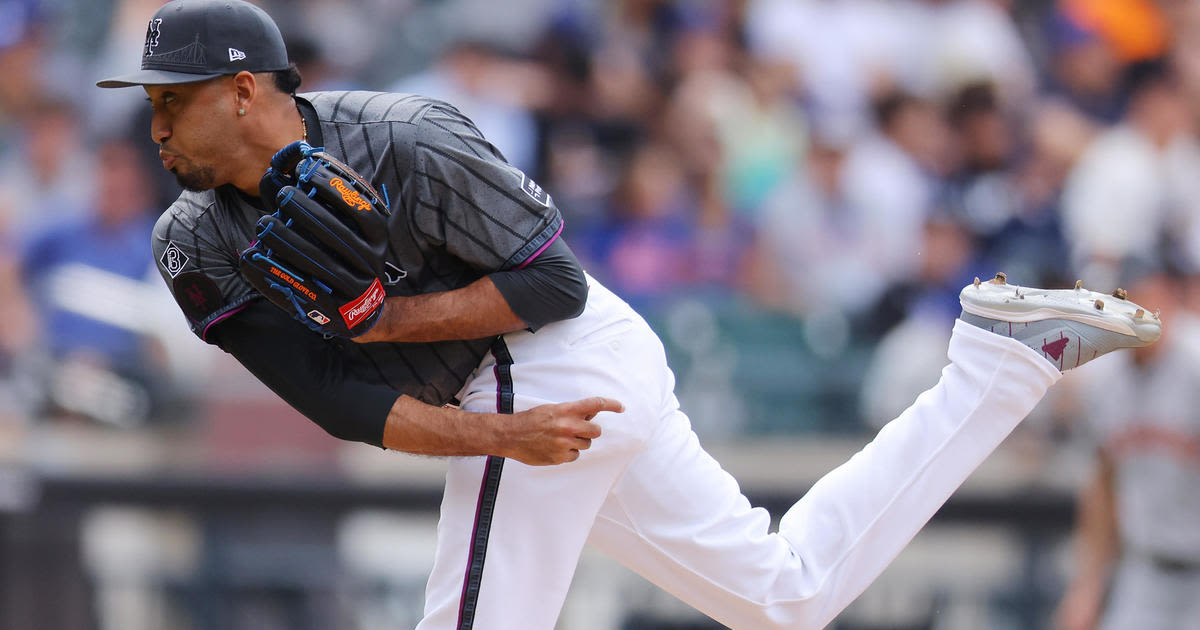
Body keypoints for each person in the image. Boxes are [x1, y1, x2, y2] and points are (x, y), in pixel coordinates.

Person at [97, 2, 1163, 628]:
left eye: (170, 98)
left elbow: (553, 286)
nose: (153, 123)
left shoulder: (407, 137)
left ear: (243, 93)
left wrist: (387, 329)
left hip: (555, 353)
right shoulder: (191, 242)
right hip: (511, 398)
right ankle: (1000, 363)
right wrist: (490, 435)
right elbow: (330, 400)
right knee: (785, 598)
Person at [1055, 270, 1200, 630]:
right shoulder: (1104, 380)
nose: (1142, 313)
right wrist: (1088, 586)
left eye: (1151, 302)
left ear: (1171, 301)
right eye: (1130, 303)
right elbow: (1102, 485)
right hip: (1144, 571)